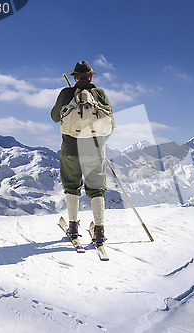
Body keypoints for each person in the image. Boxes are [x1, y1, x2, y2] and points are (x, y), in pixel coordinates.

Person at [51, 60, 115, 245]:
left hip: (70, 148)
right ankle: (100, 231)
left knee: (71, 186)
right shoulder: (100, 94)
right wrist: (100, 142)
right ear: (91, 76)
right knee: (96, 188)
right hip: (94, 148)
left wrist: (69, 99)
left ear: (74, 77)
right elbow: (111, 123)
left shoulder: (66, 93)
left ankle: (72, 227)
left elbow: (55, 117)